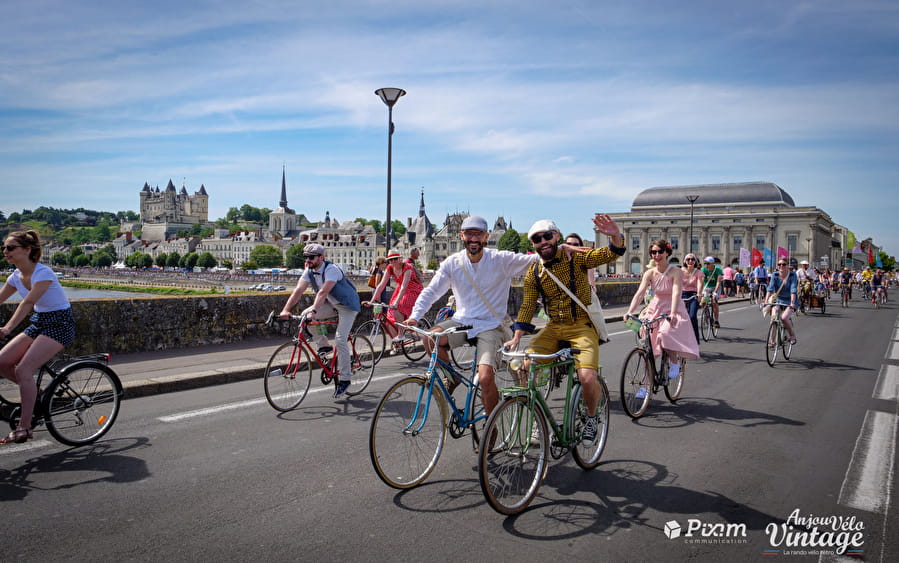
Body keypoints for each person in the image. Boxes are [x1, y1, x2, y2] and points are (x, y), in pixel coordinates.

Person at [506, 215, 625, 446]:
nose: (543, 241)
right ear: (533, 244)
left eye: (548, 236)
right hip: (554, 327)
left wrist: (615, 236)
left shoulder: (575, 257)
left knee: (587, 377)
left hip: (581, 325)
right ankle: (536, 423)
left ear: (556, 236)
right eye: (537, 239)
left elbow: (607, 254)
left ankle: (592, 419)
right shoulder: (535, 271)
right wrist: (517, 336)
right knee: (526, 368)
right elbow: (528, 304)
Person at [406, 215, 541, 420]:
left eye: (478, 234)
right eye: (469, 234)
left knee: (486, 378)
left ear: (486, 237)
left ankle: (490, 427)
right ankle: (452, 378)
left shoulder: (500, 259)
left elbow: (537, 260)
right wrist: (415, 316)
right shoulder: (453, 263)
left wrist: (564, 249)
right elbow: (431, 291)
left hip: (491, 324)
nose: (474, 239)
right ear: (462, 236)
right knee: (430, 338)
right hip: (463, 321)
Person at [0, 230, 76, 444]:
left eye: (10, 247)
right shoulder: (15, 276)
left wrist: (7, 328)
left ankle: (24, 427)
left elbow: (27, 304)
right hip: (40, 322)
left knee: (23, 369)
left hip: (60, 324)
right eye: (3, 248)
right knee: (2, 362)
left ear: (27, 250)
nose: (6, 251)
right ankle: (38, 392)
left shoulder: (43, 273)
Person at [279, 243, 361, 398]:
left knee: (341, 339)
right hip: (331, 304)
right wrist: (286, 310)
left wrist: (314, 310)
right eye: (305, 257)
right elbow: (298, 291)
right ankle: (324, 346)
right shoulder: (308, 272)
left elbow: (323, 292)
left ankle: (345, 379)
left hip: (347, 305)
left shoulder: (331, 270)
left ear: (321, 257)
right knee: (305, 315)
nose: (308, 260)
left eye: (311, 257)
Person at [623, 240, 700, 398]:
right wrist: (630, 312)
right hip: (655, 307)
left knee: (664, 333)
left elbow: (677, 292)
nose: (656, 255)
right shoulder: (649, 273)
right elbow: (640, 293)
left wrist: (672, 313)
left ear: (666, 253)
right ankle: (645, 387)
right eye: (653, 252)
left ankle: (673, 362)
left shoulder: (675, 271)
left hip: (673, 307)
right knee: (646, 346)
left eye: (659, 252)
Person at [372, 249, 424, 342]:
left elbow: (404, 286)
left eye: (395, 259)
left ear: (400, 259)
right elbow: (381, 285)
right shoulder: (390, 268)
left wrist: (397, 302)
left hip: (413, 290)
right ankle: (397, 344)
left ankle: (401, 334)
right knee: (390, 315)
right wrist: (372, 300)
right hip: (400, 290)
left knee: (399, 306)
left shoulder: (407, 267)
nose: (393, 261)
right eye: (390, 260)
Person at [766, 259, 799, 344]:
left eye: (783, 264)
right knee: (773, 318)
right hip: (778, 300)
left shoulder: (792, 275)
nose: (781, 266)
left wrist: (792, 303)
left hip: (790, 301)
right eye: (779, 264)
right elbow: (770, 288)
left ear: (787, 266)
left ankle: (792, 336)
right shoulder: (775, 275)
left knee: (784, 318)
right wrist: (766, 301)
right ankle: (772, 341)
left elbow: (793, 289)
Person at [680, 253, 705, 343]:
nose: (690, 261)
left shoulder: (699, 272)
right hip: (682, 294)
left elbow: (700, 283)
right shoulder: (680, 271)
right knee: (679, 318)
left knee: (692, 316)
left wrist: (699, 293)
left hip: (693, 294)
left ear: (695, 261)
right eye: (688, 259)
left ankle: (695, 340)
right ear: (685, 261)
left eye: (692, 259)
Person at [701, 256, 723, 329]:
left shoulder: (718, 270)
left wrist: (715, 292)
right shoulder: (703, 269)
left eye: (708, 263)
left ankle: (716, 320)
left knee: (714, 302)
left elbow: (718, 282)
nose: (706, 265)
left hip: (715, 287)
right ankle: (706, 314)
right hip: (707, 288)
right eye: (705, 263)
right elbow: (701, 281)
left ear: (712, 263)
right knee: (704, 302)